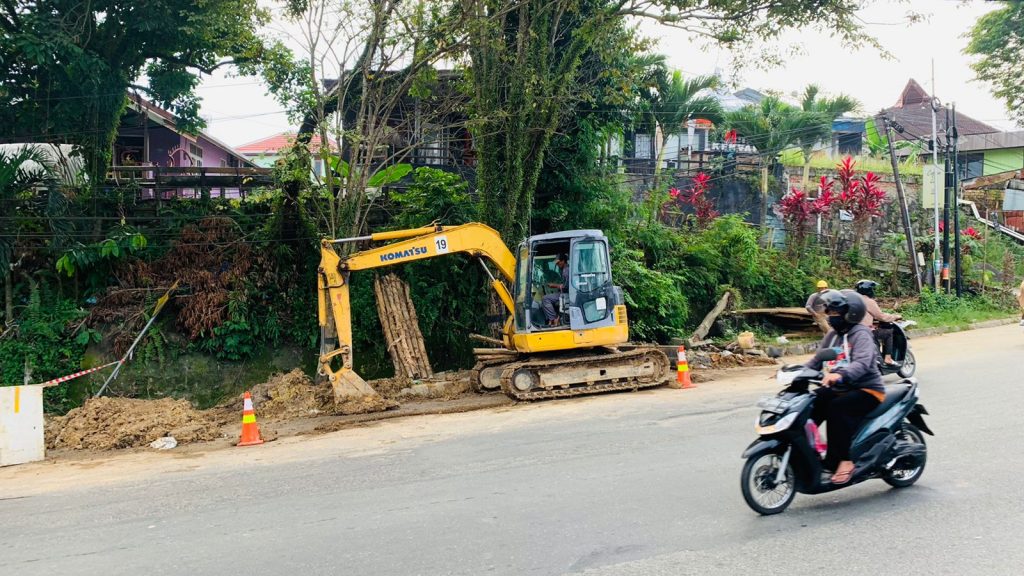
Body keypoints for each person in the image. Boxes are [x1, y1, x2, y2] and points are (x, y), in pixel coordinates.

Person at [804, 289, 884, 485]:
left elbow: (863, 363)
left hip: (867, 390)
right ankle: (812, 452)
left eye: (834, 313)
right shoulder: (833, 335)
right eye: (829, 313)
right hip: (841, 388)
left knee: (837, 409)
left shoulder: (861, 334)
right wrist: (796, 372)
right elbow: (817, 359)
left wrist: (840, 374)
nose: (831, 317)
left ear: (850, 313)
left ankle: (845, 460)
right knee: (809, 403)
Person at [853, 279, 900, 366]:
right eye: (872, 289)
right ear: (868, 290)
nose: (873, 291)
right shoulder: (869, 301)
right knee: (889, 332)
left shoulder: (854, 300)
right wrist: (895, 316)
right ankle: (888, 358)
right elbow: (881, 316)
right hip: (865, 332)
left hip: (853, 332)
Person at [541, 254, 569, 326]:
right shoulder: (564, 270)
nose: (557, 264)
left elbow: (566, 286)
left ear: (563, 261)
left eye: (558, 262)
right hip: (564, 293)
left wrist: (554, 285)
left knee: (545, 299)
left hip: (566, 294)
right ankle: (551, 319)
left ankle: (554, 318)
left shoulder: (566, 271)